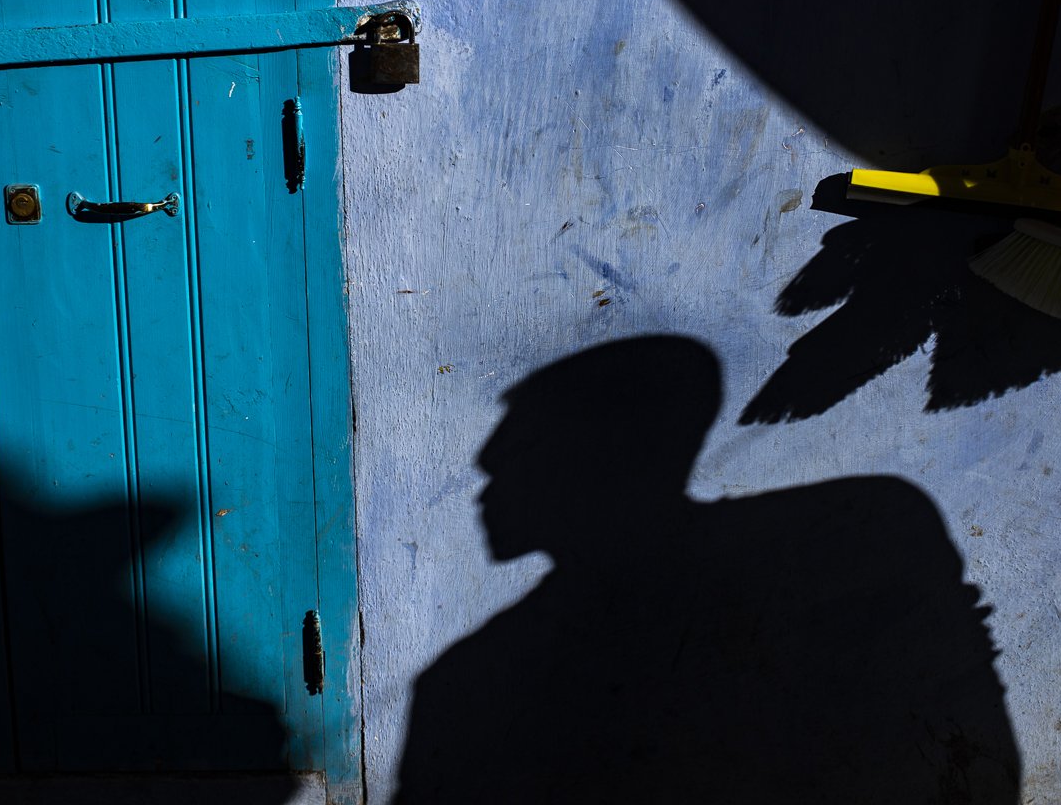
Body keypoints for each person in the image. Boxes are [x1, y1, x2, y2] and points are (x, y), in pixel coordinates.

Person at [395, 335, 1020, 803]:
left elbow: (961, 744)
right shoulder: (466, 678)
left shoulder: (469, 678)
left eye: (523, 444)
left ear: (615, 456)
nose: (484, 463)